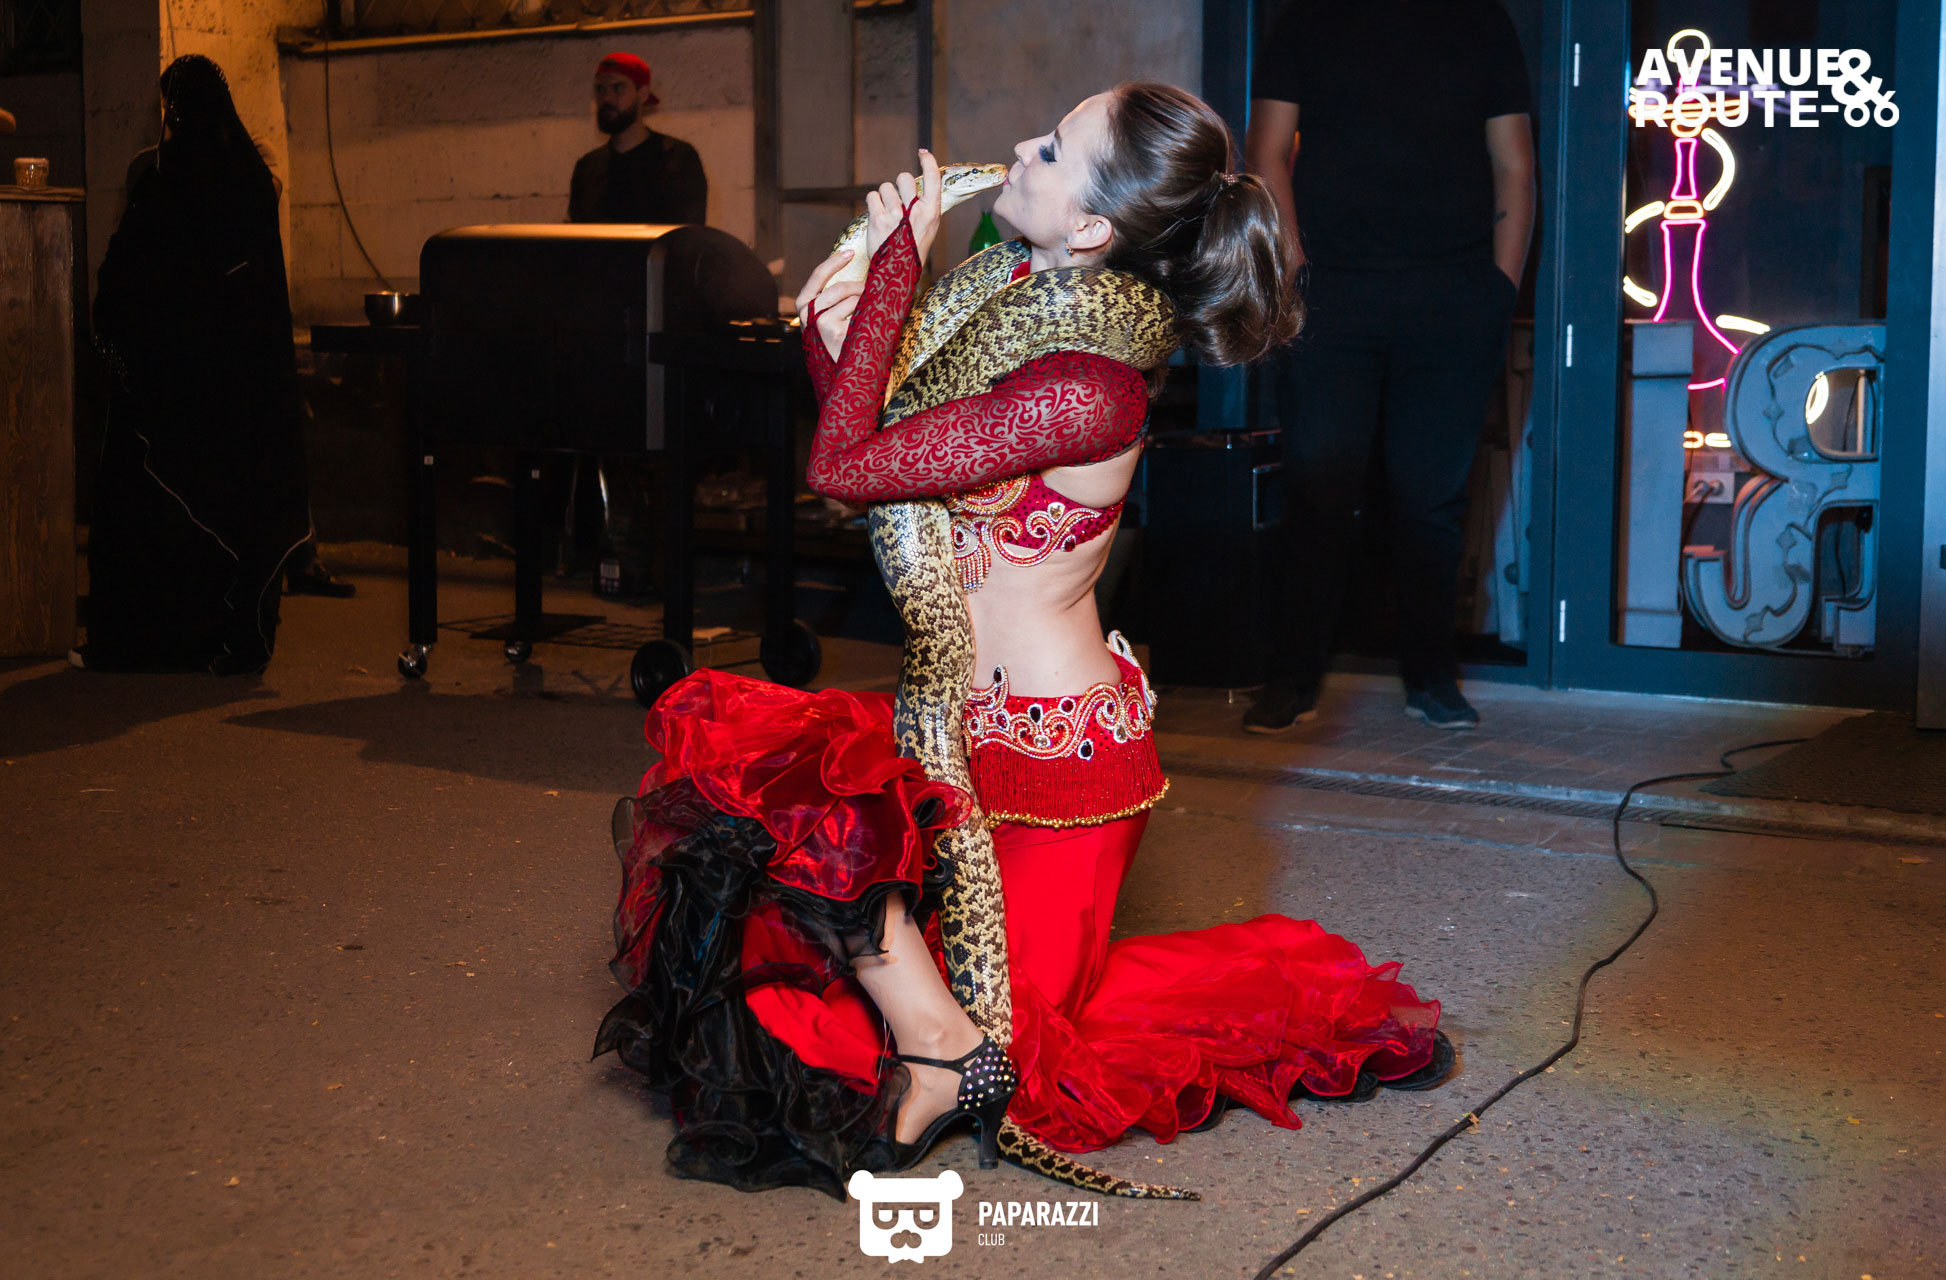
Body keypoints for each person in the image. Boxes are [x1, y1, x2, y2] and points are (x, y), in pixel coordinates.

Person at [595, 82, 1452, 1197]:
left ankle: (949, 1047)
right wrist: (842, 319)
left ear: (1091, 229)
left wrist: (893, 274)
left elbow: (845, 463)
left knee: (1025, 1061)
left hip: (1053, 776)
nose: (1018, 147)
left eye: (1050, 150)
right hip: (952, 729)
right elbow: (877, 446)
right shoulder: (1003, 297)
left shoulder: (1089, 387)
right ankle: (942, 1039)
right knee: (757, 810)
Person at [1242, 1, 1535, 732]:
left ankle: (1432, 678)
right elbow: (1265, 152)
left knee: (1431, 502)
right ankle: (1292, 678)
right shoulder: (1308, 19)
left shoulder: (1481, 21)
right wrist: (1296, 271)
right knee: (1317, 490)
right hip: (1332, 297)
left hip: (1453, 297)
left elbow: (1515, 164)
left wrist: (1498, 291)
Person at [76, 55, 309, 675]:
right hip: (237, 387)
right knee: (230, 502)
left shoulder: (166, 184)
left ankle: (156, 639)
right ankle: (231, 636)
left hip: (171, 386)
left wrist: (118, 337)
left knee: (154, 494)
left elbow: (127, 278)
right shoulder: (251, 183)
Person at [568, 52, 707, 226]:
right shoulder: (587, 168)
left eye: (618, 88)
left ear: (642, 94)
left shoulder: (679, 159)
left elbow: (690, 237)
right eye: (600, 89)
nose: (606, 98)